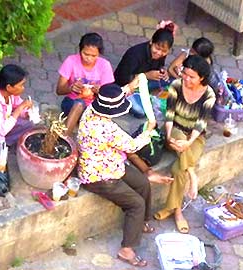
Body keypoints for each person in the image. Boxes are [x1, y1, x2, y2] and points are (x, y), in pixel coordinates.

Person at [77, 83, 158, 267]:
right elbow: (132, 146)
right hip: (98, 177)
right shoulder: (107, 128)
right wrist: (149, 130)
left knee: (142, 183)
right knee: (136, 204)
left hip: (112, 163)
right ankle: (126, 249)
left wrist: (133, 85)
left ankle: (141, 223)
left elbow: (114, 94)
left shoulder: (92, 109)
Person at [154, 55, 216, 234]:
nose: (186, 79)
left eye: (191, 77)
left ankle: (175, 210)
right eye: (185, 74)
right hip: (173, 131)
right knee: (177, 133)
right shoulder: (176, 86)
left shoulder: (209, 95)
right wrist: (168, 137)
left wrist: (188, 142)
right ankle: (192, 174)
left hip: (194, 137)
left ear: (201, 78)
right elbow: (170, 116)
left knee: (177, 170)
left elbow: (200, 124)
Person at [56, 33, 121, 136]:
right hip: (72, 102)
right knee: (79, 104)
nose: (89, 58)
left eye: (93, 55)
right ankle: (64, 138)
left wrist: (100, 91)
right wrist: (71, 88)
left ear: (99, 54)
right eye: (85, 54)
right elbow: (59, 90)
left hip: (94, 105)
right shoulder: (71, 61)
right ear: (80, 50)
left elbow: (109, 95)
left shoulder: (105, 65)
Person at [114, 21, 175, 118]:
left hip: (147, 82)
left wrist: (163, 72)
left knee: (173, 82)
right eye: (157, 48)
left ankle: (149, 95)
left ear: (168, 50)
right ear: (151, 42)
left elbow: (159, 66)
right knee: (141, 112)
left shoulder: (161, 54)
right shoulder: (134, 54)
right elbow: (123, 79)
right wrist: (146, 75)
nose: (159, 53)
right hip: (128, 86)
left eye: (164, 51)